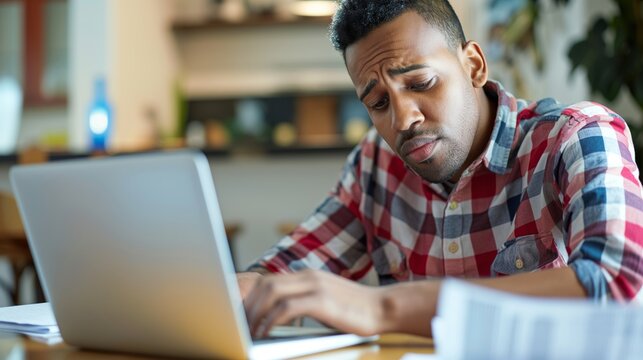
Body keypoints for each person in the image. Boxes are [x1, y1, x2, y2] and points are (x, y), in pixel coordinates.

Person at [239, 0, 643, 339]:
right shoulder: (376, 166)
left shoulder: (577, 136)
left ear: (473, 66)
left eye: (420, 83)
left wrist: (383, 308)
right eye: (379, 103)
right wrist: (221, 294)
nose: (402, 119)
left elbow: (615, 283)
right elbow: (279, 275)